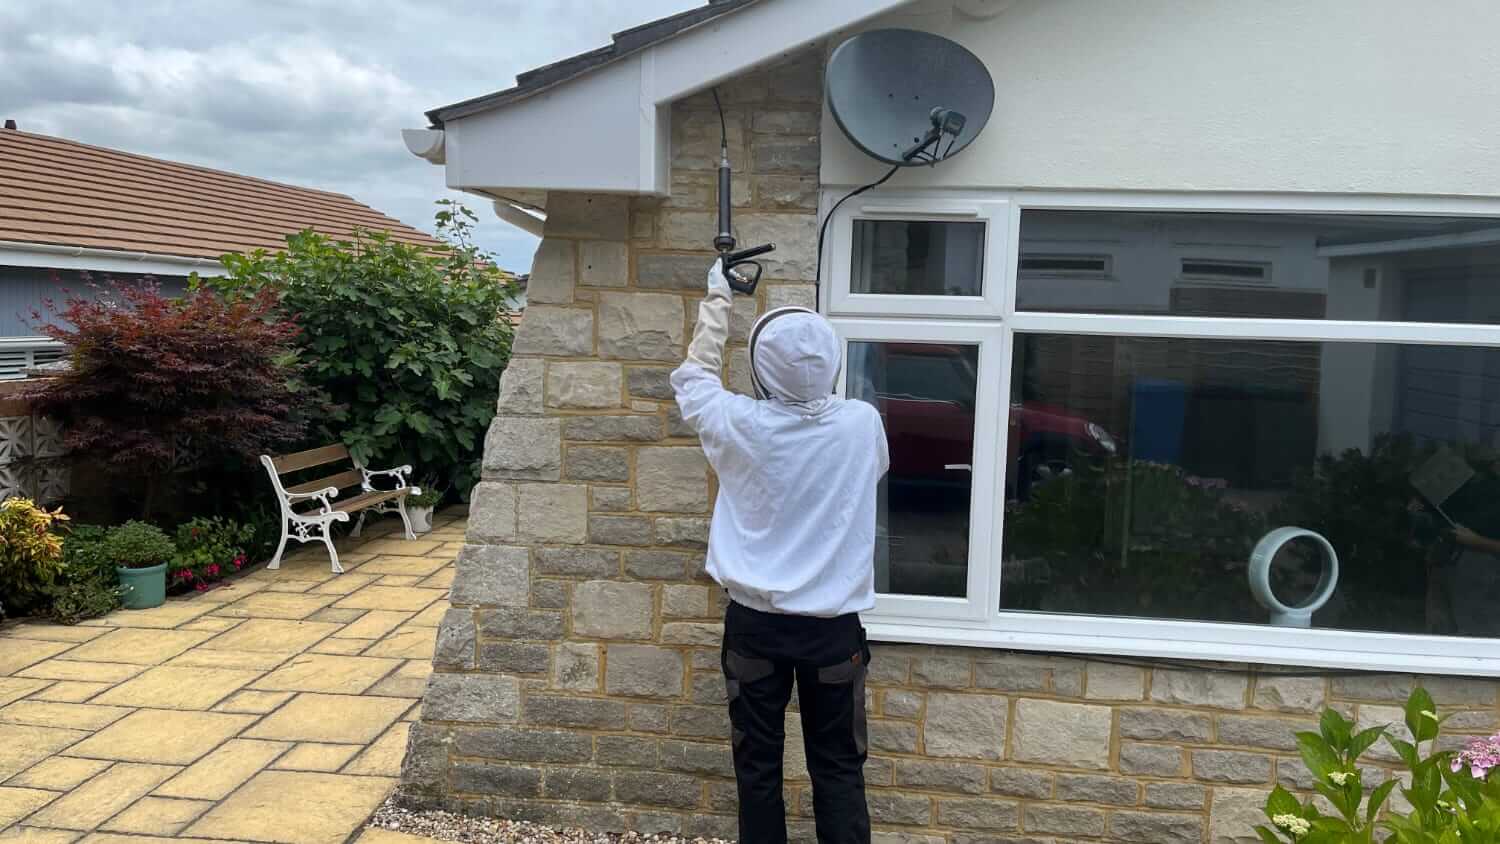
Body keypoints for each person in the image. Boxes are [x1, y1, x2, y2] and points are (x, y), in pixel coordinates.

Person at [671, 262, 889, 844]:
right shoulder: (862, 424)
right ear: (833, 364)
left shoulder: (738, 423)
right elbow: (872, 473)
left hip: (756, 630)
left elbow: (694, 376)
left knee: (757, 770)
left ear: (762, 368)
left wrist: (719, 296)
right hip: (833, 633)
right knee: (840, 769)